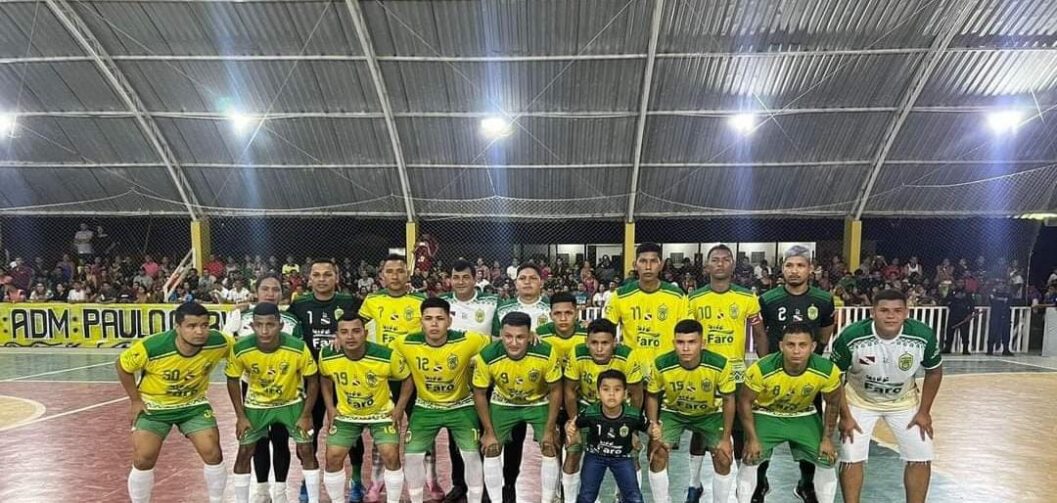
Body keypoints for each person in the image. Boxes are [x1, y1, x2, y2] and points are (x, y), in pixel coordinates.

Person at [830, 289, 943, 503]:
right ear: (873, 312)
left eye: (897, 311)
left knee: (921, 455)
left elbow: (935, 371)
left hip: (904, 402)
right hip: (859, 400)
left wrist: (924, 412)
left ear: (906, 313)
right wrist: (845, 416)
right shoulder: (851, 336)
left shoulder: (922, 335)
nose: (890, 316)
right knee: (851, 456)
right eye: (884, 310)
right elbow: (834, 378)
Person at [115, 302, 234, 503]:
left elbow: (240, 352)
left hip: (193, 405)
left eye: (205, 325)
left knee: (213, 452)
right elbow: (122, 365)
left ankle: (217, 500)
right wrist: (135, 400)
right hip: (154, 405)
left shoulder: (219, 342)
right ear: (177, 327)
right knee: (144, 458)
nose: (200, 331)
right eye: (192, 326)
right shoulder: (153, 347)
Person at [685, 244, 768, 503]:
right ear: (707, 266)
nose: (720, 264)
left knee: (742, 431)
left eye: (725, 260)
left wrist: (764, 369)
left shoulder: (747, 297)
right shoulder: (694, 299)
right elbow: (687, 336)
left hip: (736, 372)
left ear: (733, 265)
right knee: (701, 429)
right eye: (715, 260)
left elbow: (759, 333)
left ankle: (743, 489)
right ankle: (693, 484)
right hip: (704, 372)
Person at [754, 246, 835, 502]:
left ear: (810, 269)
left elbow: (825, 331)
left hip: (807, 376)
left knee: (811, 428)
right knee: (762, 425)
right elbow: (762, 334)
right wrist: (767, 362)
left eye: (800, 266)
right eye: (789, 266)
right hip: (775, 374)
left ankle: (806, 484)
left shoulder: (823, 299)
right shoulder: (769, 299)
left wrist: (811, 358)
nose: (795, 271)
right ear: (783, 269)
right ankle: (760, 482)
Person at [392, 297, 491, 503]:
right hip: (425, 407)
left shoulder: (469, 340)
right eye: (428, 318)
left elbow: (501, 342)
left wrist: (529, 335)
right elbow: (372, 350)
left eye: (440, 318)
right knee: (411, 457)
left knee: (472, 456)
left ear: (449, 321)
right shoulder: (405, 342)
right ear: (421, 322)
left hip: (461, 406)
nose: (434, 323)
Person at [736, 322, 843, 503]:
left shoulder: (827, 370)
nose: (796, 351)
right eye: (790, 345)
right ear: (781, 346)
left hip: (803, 414)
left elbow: (833, 404)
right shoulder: (761, 368)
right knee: (750, 457)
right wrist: (752, 439)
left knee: (826, 458)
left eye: (803, 345)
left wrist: (827, 439)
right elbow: (744, 402)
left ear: (813, 347)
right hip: (767, 413)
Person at [225, 304, 321, 503]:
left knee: (306, 450)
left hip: (292, 404)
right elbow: (232, 380)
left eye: (270, 324)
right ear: (252, 326)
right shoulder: (241, 348)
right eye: (259, 325)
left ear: (280, 325)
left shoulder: (297, 347)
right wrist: (241, 416)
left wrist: (305, 414)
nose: (265, 330)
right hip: (256, 405)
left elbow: (313, 379)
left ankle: (306, 498)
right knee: (244, 451)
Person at [287, 259, 359, 503]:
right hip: (309, 380)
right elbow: (286, 332)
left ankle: (357, 479)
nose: (321, 279)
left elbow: (362, 332)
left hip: (344, 378)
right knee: (309, 431)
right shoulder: (299, 305)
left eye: (327, 274)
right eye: (316, 274)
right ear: (309, 279)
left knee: (352, 431)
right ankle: (308, 481)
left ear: (336, 277)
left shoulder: (349, 302)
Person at [357, 254, 429, 501]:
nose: (395, 276)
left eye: (400, 271)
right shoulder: (372, 300)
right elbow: (357, 328)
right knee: (384, 430)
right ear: (382, 276)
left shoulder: (420, 300)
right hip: (384, 376)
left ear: (407, 275)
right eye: (390, 271)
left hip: (415, 374)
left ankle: (429, 480)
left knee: (420, 429)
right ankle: (378, 482)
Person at [320, 311, 411, 503]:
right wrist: (330, 407)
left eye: (356, 331)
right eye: (344, 332)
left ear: (365, 333)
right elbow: (325, 377)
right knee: (333, 457)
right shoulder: (328, 355)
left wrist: (399, 408)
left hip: (381, 413)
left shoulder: (386, 355)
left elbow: (407, 379)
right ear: (337, 335)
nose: (350, 336)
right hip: (347, 414)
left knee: (390, 455)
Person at [473, 312, 564, 503]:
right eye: (508, 336)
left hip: (537, 401)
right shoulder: (487, 355)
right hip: (504, 402)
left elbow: (556, 390)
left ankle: (547, 500)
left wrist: (549, 429)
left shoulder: (545, 351)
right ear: (501, 334)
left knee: (549, 445)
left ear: (529, 335)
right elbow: (480, 393)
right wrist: (488, 432)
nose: (513, 343)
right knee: (491, 447)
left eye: (520, 337)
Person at [645, 319, 737, 503]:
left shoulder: (720, 364)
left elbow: (729, 399)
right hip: (673, 412)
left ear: (702, 343)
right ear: (674, 343)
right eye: (680, 342)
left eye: (692, 342)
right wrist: (653, 426)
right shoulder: (662, 363)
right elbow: (653, 395)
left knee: (723, 457)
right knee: (657, 453)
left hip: (710, 414)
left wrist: (726, 438)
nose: (686, 348)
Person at [561, 319, 645, 503]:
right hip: (587, 409)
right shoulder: (577, 353)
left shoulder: (627, 356)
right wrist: (573, 423)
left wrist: (632, 429)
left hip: (619, 412)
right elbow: (569, 390)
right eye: (594, 343)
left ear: (615, 342)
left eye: (605, 343)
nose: (599, 348)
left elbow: (637, 395)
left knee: (631, 455)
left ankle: (623, 496)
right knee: (573, 451)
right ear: (587, 342)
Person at [438, 258, 500, 502]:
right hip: (452, 377)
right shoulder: (442, 303)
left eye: (465, 277)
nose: (460, 282)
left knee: (485, 430)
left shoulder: (492, 302)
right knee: (456, 433)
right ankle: (460, 484)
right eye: (456, 277)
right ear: (450, 279)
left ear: (475, 278)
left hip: (483, 378)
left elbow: (498, 337)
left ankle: (484, 486)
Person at [493, 262, 552, 502]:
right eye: (522, 278)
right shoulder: (503, 308)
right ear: (515, 282)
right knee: (512, 443)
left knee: (551, 441)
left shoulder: (551, 308)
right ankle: (509, 487)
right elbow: (496, 339)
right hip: (511, 387)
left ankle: (555, 490)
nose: (527, 281)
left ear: (541, 282)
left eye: (532, 278)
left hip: (545, 388)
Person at [566, 369, 659, 503]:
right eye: (605, 389)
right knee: (586, 496)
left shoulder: (632, 415)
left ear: (625, 394)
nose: (611, 394)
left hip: (622, 458)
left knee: (634, 496)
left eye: (617, 390)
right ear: (598, 393)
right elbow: (573, 424)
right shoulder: (590, 413)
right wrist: (570, 430)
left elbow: (649, 427)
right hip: (595, 456)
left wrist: (655, 430)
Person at [942, 282, 975, 355]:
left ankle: (965, 349)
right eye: (958, 282)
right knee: (950, 332)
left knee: (965, 333)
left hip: (964, 315)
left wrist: (970, 313)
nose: (960, 284)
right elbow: (946, 301)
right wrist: (951, 304)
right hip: (953, 314)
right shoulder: (952, 292)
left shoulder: (967, 293)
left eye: (961, 282)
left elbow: (972, 304)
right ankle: (948, 348)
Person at [986, 282, 1015, 356]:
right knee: (993, 332)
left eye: (1002, 284)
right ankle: (990, 349)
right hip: (995, 316)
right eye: (999, 284)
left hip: (1005, 315)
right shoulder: (993, 294)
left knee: (1006, 333)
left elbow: (1009, 303)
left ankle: (1006, 349)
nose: (1001, 286)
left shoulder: (1008, 295)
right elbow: (992, 301)